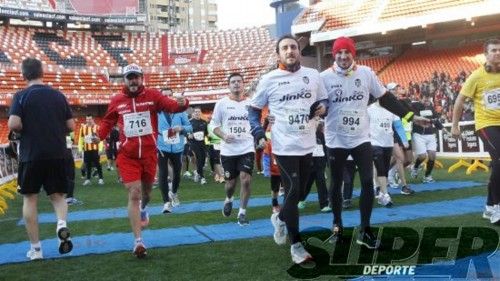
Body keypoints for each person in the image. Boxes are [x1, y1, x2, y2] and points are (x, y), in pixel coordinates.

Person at [321, 36, 428, 249]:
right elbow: (316, 103)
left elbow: (386, 99)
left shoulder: (366, 73)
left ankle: (365, 230)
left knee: (368, 183)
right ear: (334, 55)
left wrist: (410, 117)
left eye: (347, 52)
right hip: (336, 139)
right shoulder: (323, 77)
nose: (343, 56)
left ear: (353, 54)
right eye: (339, 52)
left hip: (361, 137)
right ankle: (337, 228)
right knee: (335, 184)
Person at [249, 34, 328, 264]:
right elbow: (253, 110)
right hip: (283, 146)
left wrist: (322, 107)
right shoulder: (269, 79)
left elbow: (324, 101)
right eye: (285, 48)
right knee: (292, 191)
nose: (290, 51)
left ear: (298, 51)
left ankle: (280, 218)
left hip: (308, 144)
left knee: (300, 193)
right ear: (278, 54)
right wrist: (258, 132)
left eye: (293, 47)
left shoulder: (313, 76)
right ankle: (296, 245)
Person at [96, 63, 189, 258]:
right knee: (135, 193)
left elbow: (172, 106)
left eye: (136, 77)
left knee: (146, 194)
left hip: (148, 155)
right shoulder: (117, 100)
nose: (133, 80)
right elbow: (107, 121)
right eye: (129, 77)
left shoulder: (153, 96)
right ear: (124, 80)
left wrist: (183, 102)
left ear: (141, 78)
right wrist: (99, 135)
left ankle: (144, 210)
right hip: (128, 156)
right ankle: (138, 241)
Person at [8, 58, 75, 260]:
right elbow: (71, 126)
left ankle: (36, 250)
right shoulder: (58, 95)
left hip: (31, 154)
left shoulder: (21, 96)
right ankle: (61, 225)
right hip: (57, 152)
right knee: (58, 196)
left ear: (23, 75)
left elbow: (13, 124)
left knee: (30, 199)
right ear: (42, 72)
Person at [452, 38, 500, 225]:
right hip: (486, 124)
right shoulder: (476, 76)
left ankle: (488, 206)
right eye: (494, 50)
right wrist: (455, 125)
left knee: (498, 164)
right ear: (486, 54)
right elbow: (459, 101)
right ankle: (497, 206)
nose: (497, 53)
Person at [211, 73, 255, 225]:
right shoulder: (222, 103)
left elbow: (255, 124)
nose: (236, 84)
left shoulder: (251, 103)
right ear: (229, 85)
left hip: (247, 147)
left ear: (244, 85)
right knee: (230, 184)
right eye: (233, 82)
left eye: (239, 81)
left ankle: (242, 212)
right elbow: (214, 126)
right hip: (228, 150)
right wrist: (223, 135)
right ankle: (229, 198)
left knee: (246, 179)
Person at [156, 88, 192, 214]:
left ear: (173, 97)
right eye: (164, 96)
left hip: (177, 147)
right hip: (162, 146)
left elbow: (190, 127)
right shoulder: (157, 111)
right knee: (163, 172)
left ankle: (174, 192)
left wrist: (181, 128)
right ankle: (166, 203)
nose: (167, 97)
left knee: (177, 173)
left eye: (169, 95)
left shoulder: (181, 112)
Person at [368, 99, 408, 207]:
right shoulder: (369, 109)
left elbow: (398, 125)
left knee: (384, 169)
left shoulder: (391, 109)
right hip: (374, 142)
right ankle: (385, 195)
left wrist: (404, 140)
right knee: (380, 167)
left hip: (388, 143)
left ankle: (381, 193)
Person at [386, 83, 415, 195]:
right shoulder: (386, 103)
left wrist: (414, 119)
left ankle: (390, 174)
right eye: (393, 89)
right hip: (393, 133)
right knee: (398, 157)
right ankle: (391, 178)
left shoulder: (402, 101)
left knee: (407, 159)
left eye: (396, 88)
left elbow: (410, 114)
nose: (396, 90)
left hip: (405, 133)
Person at [410, 94, 445, 183]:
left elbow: (436, 120)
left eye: (428, 100)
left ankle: (427, 175)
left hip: (430, 134)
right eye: (425, 99)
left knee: (432, 155)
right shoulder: (415, 106)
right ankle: (415, 167)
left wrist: (444, 129)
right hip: (418, 134)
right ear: (420, 99)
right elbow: (412, 117)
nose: (427, 101)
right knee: (422, 156)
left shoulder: (431, 108)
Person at [299, 119, 331, 212]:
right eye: (315, 120)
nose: (317, 122)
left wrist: (327, 161)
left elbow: (325, 148)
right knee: (307, 184)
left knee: (321, 183)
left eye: (318, 121)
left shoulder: (321, 135)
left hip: (320, 163)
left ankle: (324, 204)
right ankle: (301, 199)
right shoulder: (305, 134)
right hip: (309, 164)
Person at [78, 114, 104, 186]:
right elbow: (81, 139)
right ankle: (88, 179)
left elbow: (100, 139)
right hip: (86, 149)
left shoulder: (97, 127)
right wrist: (80, 149)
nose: (88, 121)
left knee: (97, 164)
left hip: (95, 149)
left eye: (89, 119)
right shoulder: (83, 128)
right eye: (87, 119)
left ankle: (101, 179)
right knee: (87, 164)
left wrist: (100, 148)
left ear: (93, 119)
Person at [187, 107, 208, 185]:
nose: (197, 113)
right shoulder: (190, 122)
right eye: (196, 112)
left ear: (200, 113)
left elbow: (206, 133)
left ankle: (198, 173)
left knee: (202, 161)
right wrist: (188, 135)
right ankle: (202, 178)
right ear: (194, 113)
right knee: (198, 159)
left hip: (202, 143)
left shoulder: (204, 122)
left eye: (198, 112)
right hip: (194, 144)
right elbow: (186, 132)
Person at [65, 132, 83, 205]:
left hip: (64, 155)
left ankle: (67, 198)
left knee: (68, 176)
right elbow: (68, 146)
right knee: (70, 176)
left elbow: (69, 145)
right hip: (65, 156)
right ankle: (68, 198)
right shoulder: (64, 133)